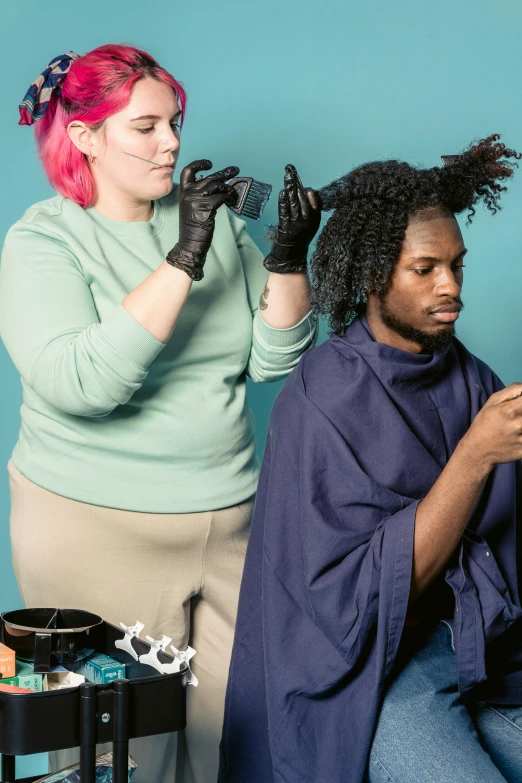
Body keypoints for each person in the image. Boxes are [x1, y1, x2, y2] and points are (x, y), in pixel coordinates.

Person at [0, 45, 320, 783]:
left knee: (238, 740)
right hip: (98, 528)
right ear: (85, 137)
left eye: (174, 122)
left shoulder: (208, 221)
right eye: (144, 127)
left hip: (231, 523)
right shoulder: (42, 240)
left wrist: (288, 263)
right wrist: (181, 260)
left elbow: (273, 363)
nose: (172, 142)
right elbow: (81, 383)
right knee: (127, 760)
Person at [219, 135, 522, 783]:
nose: (451, 287)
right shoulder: (324, 396)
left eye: (458, 266)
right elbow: (364, 595)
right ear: (371, 273)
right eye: (425, 269)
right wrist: (475, 453)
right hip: (367, 669)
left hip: (472, 644)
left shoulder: (466, 374)